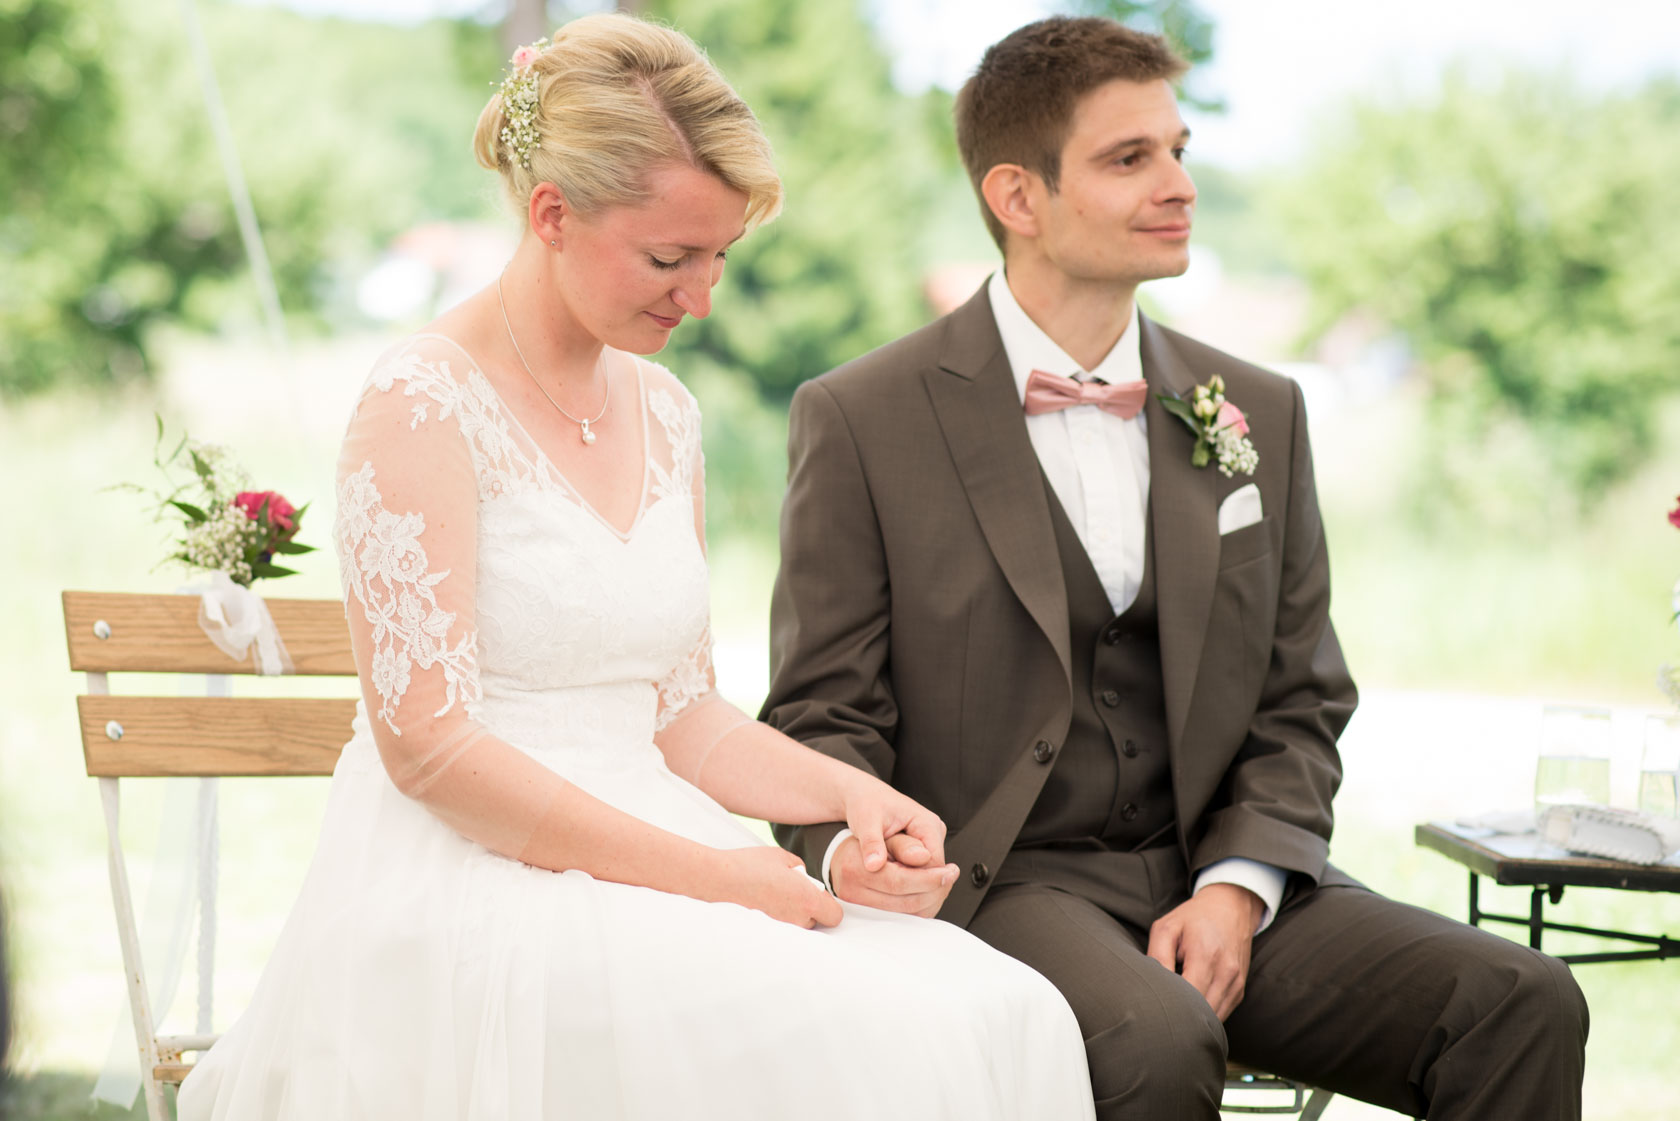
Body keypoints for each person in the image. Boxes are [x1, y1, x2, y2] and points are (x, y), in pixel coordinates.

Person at [176, 14, 1093, 1120]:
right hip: (479, 877)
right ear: (552, 213)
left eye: (718, 256)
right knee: (870, 1037)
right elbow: (430, 749)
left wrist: (854, 794)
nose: (701, 295)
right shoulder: (420, 401)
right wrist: (717, 876)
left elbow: (684, 714)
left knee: (1003, 1008)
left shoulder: (666, 409)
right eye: (670, 257)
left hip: (666, 846)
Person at [763, 16, 1589, 1120]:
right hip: (1002, 880)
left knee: (1521, 997)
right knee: (1155, 1038)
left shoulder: (1259, 408)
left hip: (1218, 873)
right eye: (1128, 158)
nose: (1178, 184)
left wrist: (1239, 887)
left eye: (1179, 151)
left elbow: (1301, 697)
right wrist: (843, 848)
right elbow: (821, 712)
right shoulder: (861, 415)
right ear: (1018, 197)